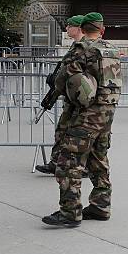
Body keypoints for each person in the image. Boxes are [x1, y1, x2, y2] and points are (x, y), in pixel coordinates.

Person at [42, 12, 122, 227]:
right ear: (102, 30)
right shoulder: (111, 49)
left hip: (87, 113)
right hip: (108, 111)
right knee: (98, 158)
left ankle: (70, 212)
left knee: (69, 160)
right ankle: (101, 205)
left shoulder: (82, 49)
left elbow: (62, 79)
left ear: (83, 29)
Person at [36, 15, 85, 175]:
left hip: (80, 99)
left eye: (69, 26)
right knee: (61, 131)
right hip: (70, 97)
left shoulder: (85, 47)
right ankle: (56, 162)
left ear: (78, 28)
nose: (66, 29)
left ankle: (82, 167)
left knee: (79, 134)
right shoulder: (75, 46)